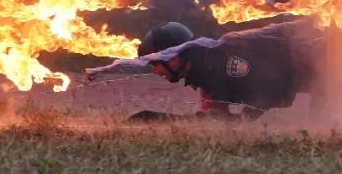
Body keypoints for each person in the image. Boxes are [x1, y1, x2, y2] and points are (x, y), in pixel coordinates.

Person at [131, 19, 327, 120]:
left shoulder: (226, 57)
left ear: (174, 57)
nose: (156, 71)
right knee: (324, 124)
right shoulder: (206, 75)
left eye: (156, 62)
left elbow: (272, 86)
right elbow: (215, 122)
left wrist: (245, 118)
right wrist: (154, 118)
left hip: (329, 62)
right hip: (318, 78)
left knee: (329, 124)